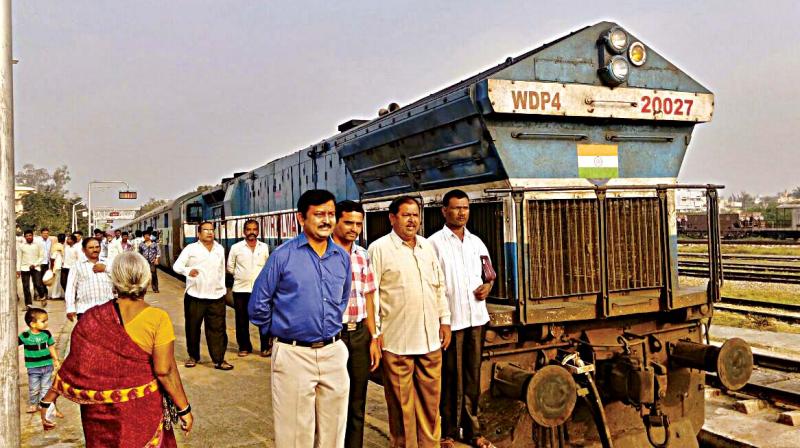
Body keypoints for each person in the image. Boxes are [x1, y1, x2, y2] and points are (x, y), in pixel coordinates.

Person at [39, 252, 193, 445]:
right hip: (140, 410)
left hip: (98, 416)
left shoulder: (92, 317)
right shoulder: (157, 318)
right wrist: (183, 409)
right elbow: (165, 371)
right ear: (146, 279)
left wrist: (48, 399)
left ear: (114, 280)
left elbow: (73, 365)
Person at [249, 189, 352, 448]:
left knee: (334, 433)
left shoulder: (342, 257)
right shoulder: (283, 256)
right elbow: (258, 304)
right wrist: (281, 331)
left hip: (334, 352)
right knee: (294, 435)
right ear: (301, 218)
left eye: (331, 214)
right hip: (293, 354)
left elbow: (342, 298)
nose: (327, 220)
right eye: (318, 214)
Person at [368, 196, 451, 448]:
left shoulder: (427, 247)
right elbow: (372, 295)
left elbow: (439, 287)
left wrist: (444, 320)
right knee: (402, 404)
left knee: (430, 400)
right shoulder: (379, 249)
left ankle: (430, 445)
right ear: (392, 218)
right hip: (397, 340)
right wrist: (376, 334)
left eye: (416, 215)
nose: (412, 220)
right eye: (406, 215)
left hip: (430, 340)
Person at [429, 190, 495, 448]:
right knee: (449, 377)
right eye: (455, 208)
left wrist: (488, 287)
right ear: (444, 211)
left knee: (472, 377)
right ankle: (447, 433)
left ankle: (472, 431)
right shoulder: (433, 243)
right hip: (451, 322)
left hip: (476, 319)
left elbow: (489, 273)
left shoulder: (477, 242)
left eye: (465, 208)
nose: (461, 213)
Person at [332, 200, 381, 448]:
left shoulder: (362, 255)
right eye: (348, 222)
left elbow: (369, 296)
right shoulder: (323, 254)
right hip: (332, 336)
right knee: (331, 402)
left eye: (358, 224)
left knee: (357, 402)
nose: (354, 228)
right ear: (335, 222)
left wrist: (374, 337)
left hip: (359, 334)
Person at [173, 221, 233, 371]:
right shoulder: (191, 249)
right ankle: (193, 356)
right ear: (199, 234)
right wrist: (188, 271)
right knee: (192, 328)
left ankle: (219, 359)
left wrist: (222, 289)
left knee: (218, 329)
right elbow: (177, 266)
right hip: (195, 296)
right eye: (206, 230)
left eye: (212, 230)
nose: (209, 232)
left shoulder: (219, 249)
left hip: (216, 296)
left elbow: (221, 271)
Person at [226, 219, 270, 357]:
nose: (252, 232)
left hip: (260, 290)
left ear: (258, 231)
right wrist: (241, 276)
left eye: (254, 229)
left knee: (263, 319)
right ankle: (244, 347)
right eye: (249, 229)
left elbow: (267, 266)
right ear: (244, 232)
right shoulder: (236, 248)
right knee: (241, 320)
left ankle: (265, 347)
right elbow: (230, 267)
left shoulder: (264, 247)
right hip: (240, 289)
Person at [18, 308, 61, 415]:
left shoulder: (46, 334)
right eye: (43, 321)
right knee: (34, 388)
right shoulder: (25, 336)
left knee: (46, 387)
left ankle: (43, 405)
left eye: (46, 320)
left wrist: (56, 360)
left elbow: (51, 347)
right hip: (33, 367)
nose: (46, 323)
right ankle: (33, 404)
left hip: (47, 365)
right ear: (32, 324)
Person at [64, 237, 114, 321]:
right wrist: (70, 308)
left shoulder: (108, 263)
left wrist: (105, 269)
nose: (95, 250)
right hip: (85, 310)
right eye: (91, 247)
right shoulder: (77, 266)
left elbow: (120, 279)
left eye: (97, 247)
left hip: (107, 309)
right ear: (83, 250)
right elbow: (71, 287)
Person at [17, 229, 47, 308]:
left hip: (36, 267)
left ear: (32, 235)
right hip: (24, 268)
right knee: (26, 286)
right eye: (26, 236)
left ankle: (42, 297)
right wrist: (18, 270)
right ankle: (28, 304)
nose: (28, 237)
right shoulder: (22, 246)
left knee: (38, 284)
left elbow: (42, 256)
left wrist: (35, 264)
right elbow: (19, 258)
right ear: (24, 237)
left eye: (30, 235)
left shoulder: (38, 244)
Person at [46, 234, 66, 300]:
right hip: (57, 267)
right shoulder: (59, 247)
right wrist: (51, 268)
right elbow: (53, 258)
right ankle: (55, 296)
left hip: (58, 266)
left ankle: (58, 295)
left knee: (58, 282)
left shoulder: (56, 246)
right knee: (56, 282)